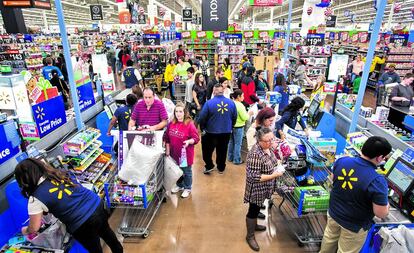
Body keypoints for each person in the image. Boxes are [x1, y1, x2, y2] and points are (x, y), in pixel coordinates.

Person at [15, 158, 123, 253]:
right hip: (96, 205)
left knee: (94, 248)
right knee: (108, 234)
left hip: (82, 223)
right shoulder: (59, 173)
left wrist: (26, 230)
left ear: (23, 180)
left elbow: (34, 228)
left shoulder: (35, 198)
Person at [320, 136, 392, 253]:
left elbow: (333, 180)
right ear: (379, 158)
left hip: (334, 214)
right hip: (353, 226)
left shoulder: (342, 161)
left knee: (328, 241)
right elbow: (381, 213)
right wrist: (387, 204)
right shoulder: (377, 180)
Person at [244, 128, 284, 251]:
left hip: (265, 186)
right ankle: (250, 236)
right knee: (253, 209)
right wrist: (275, 175)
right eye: (268, 140)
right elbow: (254, 177)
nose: (271, 142)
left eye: (272, 139)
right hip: (256, 188)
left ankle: (255, 225)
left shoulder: (268, 146)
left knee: (257, 208)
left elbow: (275, 149)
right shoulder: (255, 154)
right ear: (259, 141)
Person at [199, 83, 237, 174]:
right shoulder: (231, 103)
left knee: (207, 151)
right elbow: (234, 117)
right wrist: (230, 127)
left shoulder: (208, 103)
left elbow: (202, 118)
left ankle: (209, 165)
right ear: (223, 91)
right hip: (226, 132)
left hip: (210, 132)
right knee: (222, 150)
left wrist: (202, 128)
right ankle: (221, 168)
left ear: (213, 91)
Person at [164, 102, 200, 198]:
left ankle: (187, 188)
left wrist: (189, 141)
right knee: (177, 170)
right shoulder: (171, 123)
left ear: (185, 112)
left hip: (185, 155)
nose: (178, 114)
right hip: (174, 153)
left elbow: (196, 138)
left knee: (186, 171)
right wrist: (167, 150)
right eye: (176, 111)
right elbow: (167, 138)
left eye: (180, 111)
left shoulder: (189, 125)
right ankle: (180, 185)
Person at [228, 89, 252, 165]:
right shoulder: (240, 105)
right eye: (242, 96)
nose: (243, 97)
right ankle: (236, 160)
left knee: (231, 142)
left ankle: (230, 157)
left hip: (231, 126)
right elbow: (245, 117)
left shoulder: (230, 103)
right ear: (238, 96)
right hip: (239, 126)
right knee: (238, 144)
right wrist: (250, 114)